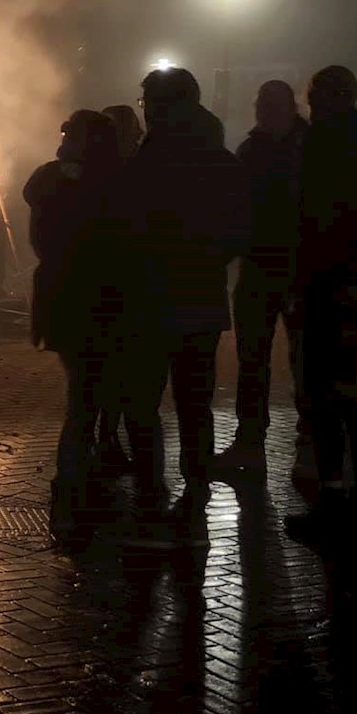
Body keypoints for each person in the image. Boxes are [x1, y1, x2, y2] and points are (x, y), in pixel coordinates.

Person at [111, 68, 250, 546]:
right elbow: (239, 231)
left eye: (149, 100)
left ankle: (154, 503)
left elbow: (122, 228)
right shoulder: (221, 160)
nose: (146, 108)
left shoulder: (148, 163)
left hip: (151, 303)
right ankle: (193, 503)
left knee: (142, 403)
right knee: (195, 406)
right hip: (199, 301)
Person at [284, 65, 357, 548]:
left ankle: (332, 497)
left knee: (325, 395)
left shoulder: (320, 141)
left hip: (328, 282)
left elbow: (309, 214)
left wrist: (302, 278)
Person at [23, 110, 127, 542]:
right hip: (84, 302)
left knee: (88, 399)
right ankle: (72, 494)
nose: (63, 137)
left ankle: (78, 489)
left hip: (92, 298)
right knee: (86, 400)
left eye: (73, 133)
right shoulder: (78, 178)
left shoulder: (103, 181)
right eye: (63, 131)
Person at [216, 80, 308, 475]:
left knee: (286, 358)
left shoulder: (258, 150)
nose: (260, 110)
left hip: (280, 266)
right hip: (271, 266)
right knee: (259, 358)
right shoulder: (306, 146)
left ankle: (263, 440)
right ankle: (257, 440)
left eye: (265, 104)